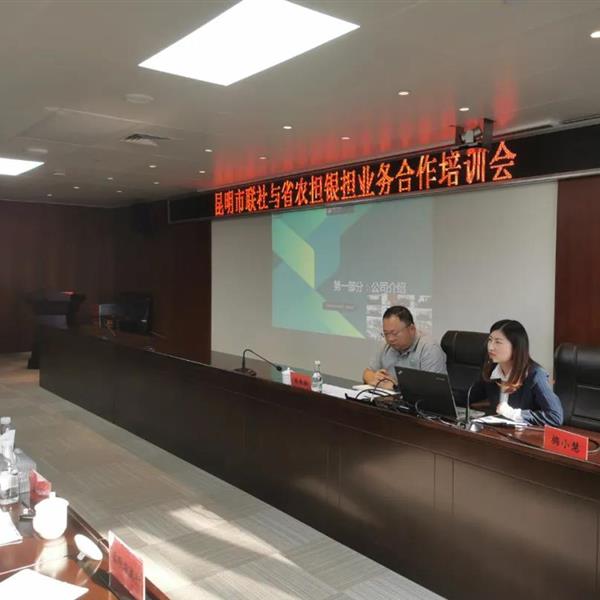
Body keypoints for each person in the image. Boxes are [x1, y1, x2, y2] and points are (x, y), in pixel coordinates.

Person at [469, 319, 563, 426]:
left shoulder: (535, 374)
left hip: (525, 434)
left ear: (515, 347)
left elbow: (555, 417)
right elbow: (470, 397)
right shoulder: (491, 370)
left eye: (498, 342)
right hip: (496, 432)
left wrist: (512, 413)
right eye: (490, 340)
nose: (490, 347)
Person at [363, 305, 446, 389]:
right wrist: (374, 378)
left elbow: (433, 389)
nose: (390, 339)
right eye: (386, 334)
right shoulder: (386, 345)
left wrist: (396, 387)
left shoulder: (429, 349)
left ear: (411, 329)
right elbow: (367, 373)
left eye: (394, 333)